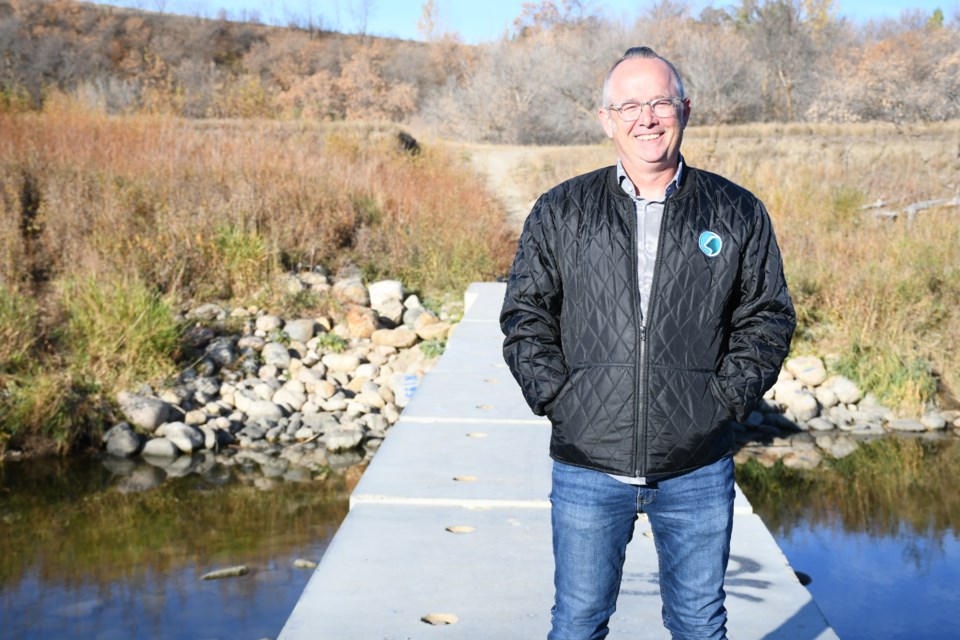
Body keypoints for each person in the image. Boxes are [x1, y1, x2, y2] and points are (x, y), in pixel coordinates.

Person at [499, 46, 796, 640]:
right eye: (630, 104)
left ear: (684, 109)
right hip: (588, 462)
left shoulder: (735, 210)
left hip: (697, 464)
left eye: (660, 101)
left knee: (698, 623)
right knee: (578, 622)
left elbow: (766, 318)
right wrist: (562, 398)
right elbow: (526, 314)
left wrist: (720, 401)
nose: (647, 117)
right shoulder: (563, 209)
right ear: (606, 119)